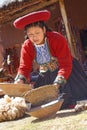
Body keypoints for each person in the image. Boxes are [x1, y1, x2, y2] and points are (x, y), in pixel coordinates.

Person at [13, 10, 87, 109]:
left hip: (67, 73)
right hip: (46, 75)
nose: (34, 37)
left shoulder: (57, 39)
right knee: (40, 103)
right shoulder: (27, 46)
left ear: (44, 29)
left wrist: (57, 84)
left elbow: (65, 64)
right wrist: (20, 80)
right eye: (30, 34)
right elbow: (24, 67)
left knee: (71, 98)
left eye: (37, 32)